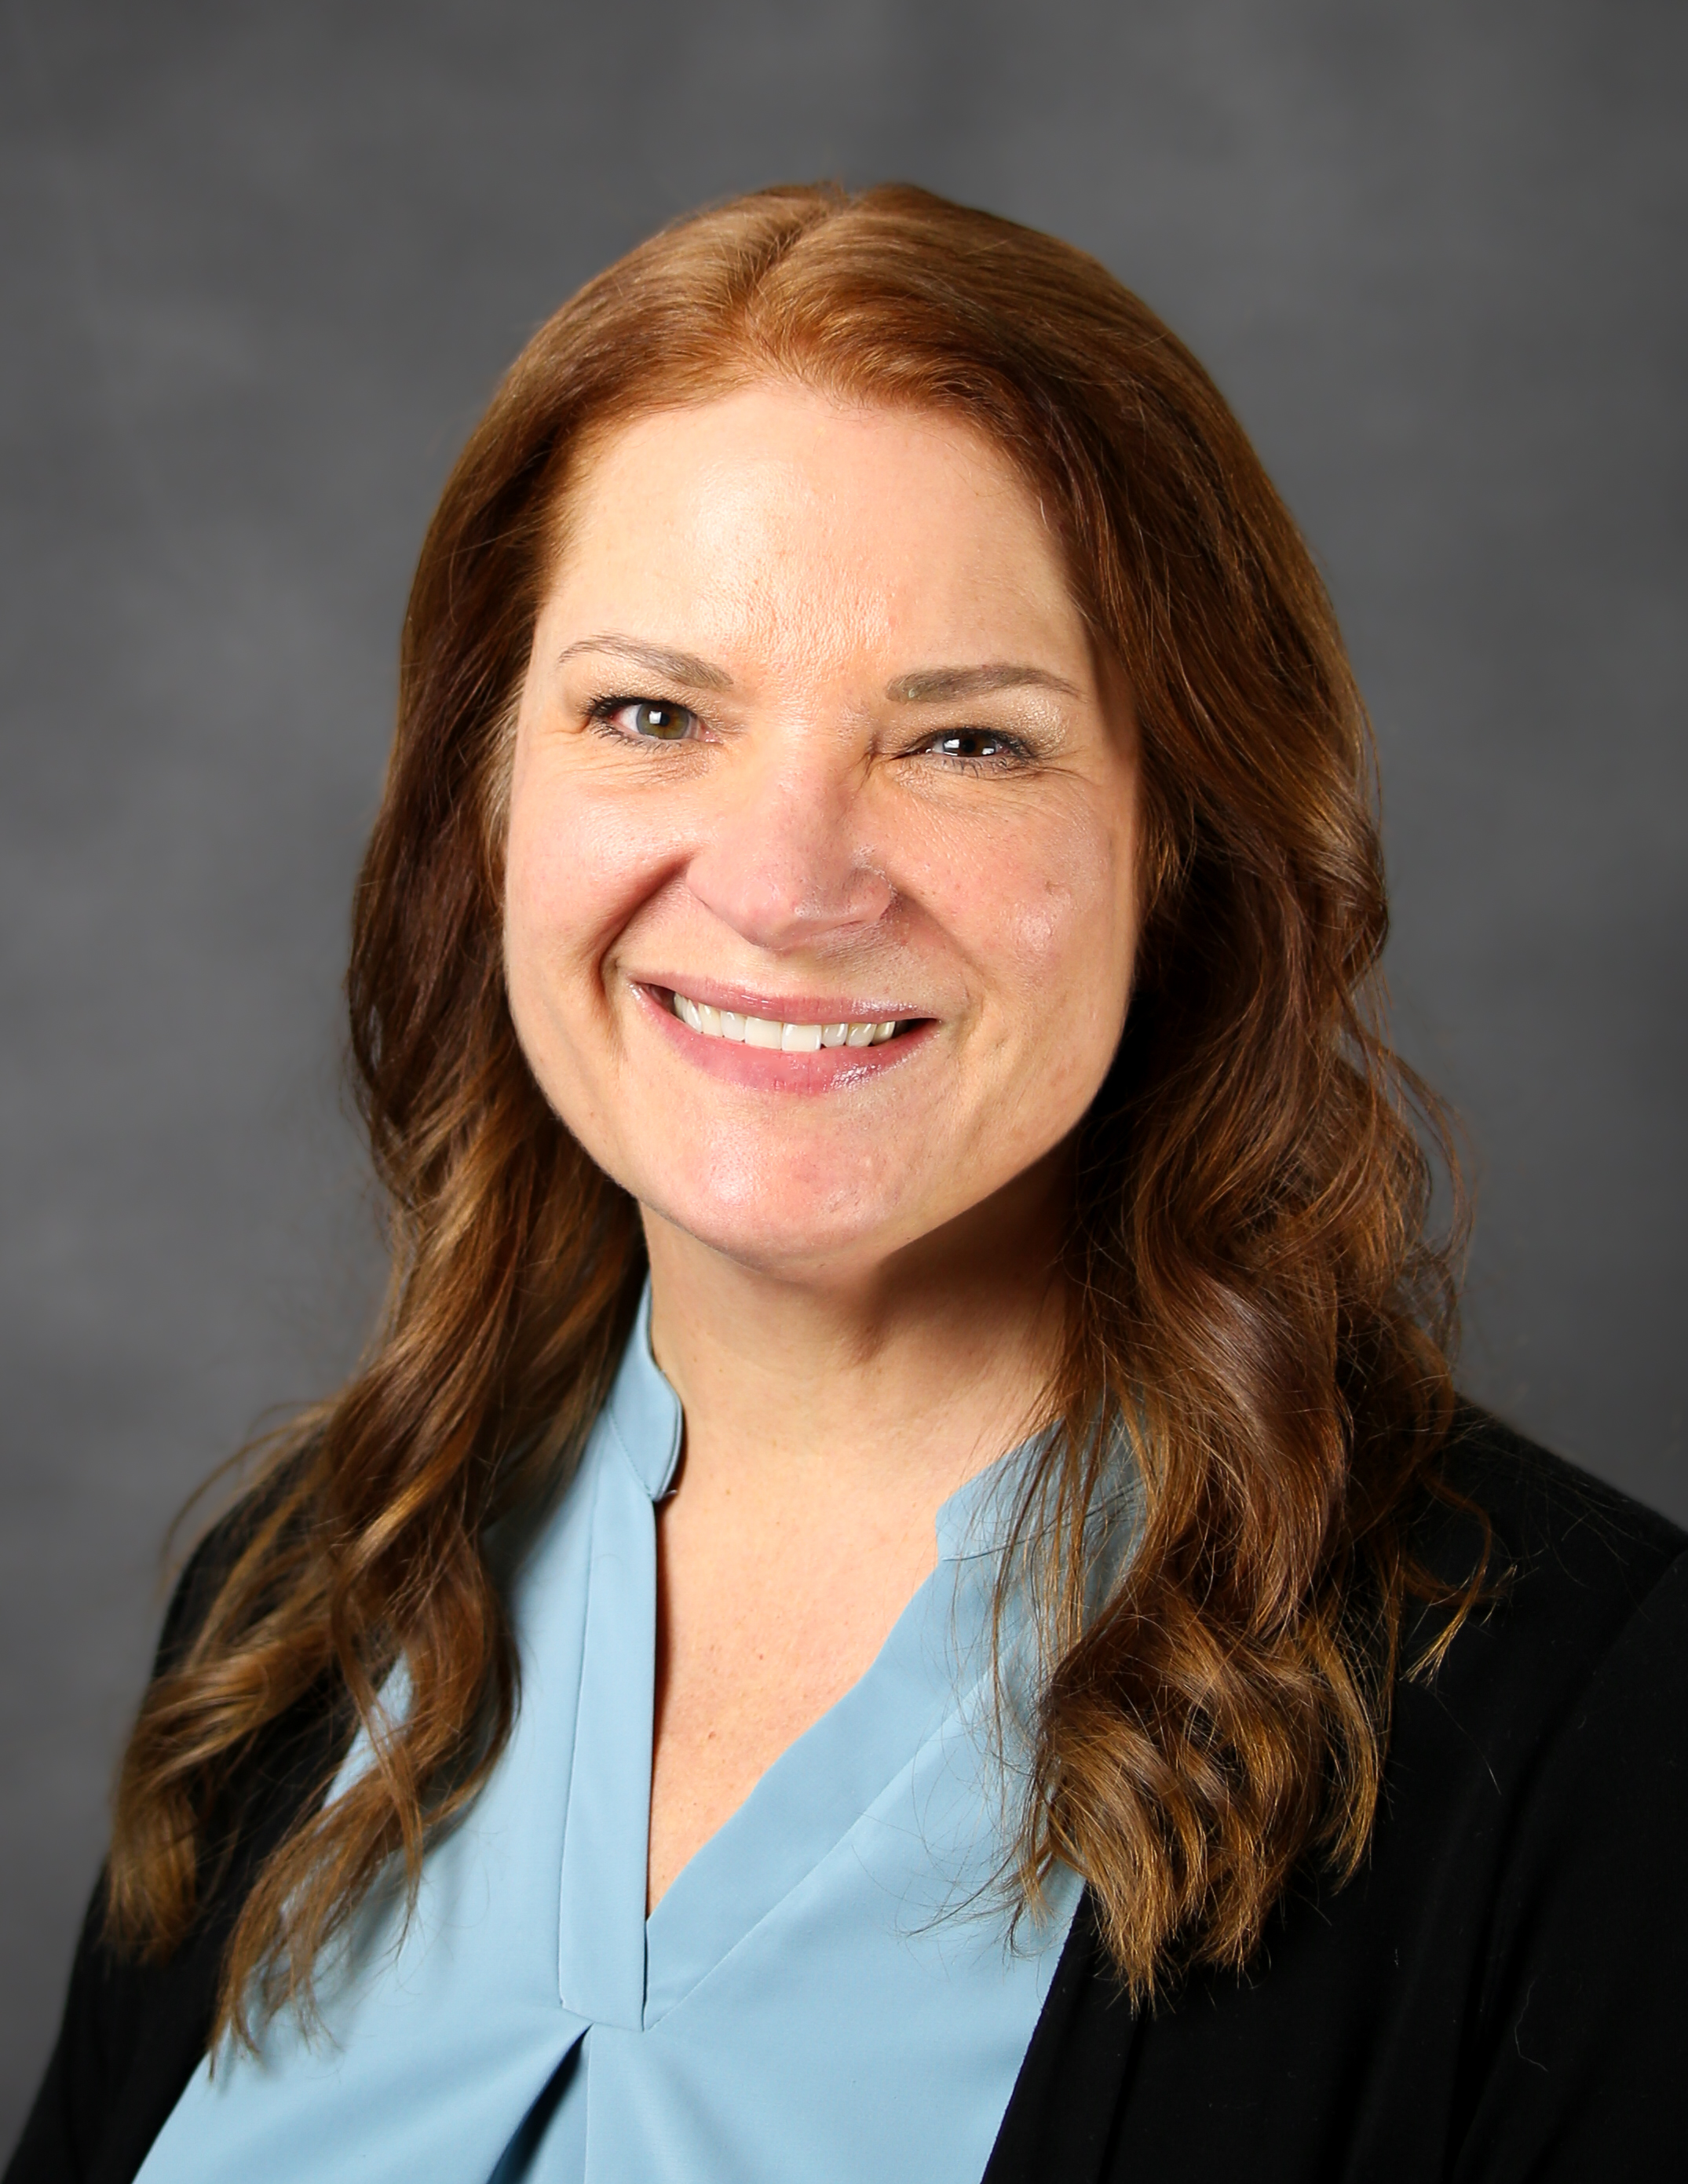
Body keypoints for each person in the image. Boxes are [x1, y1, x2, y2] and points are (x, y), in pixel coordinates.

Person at [9, 183, 1685, 2184]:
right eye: (651, 713)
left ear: (1188, 847)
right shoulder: (309, 1590)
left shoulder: (1590, 1735)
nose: (789, 882)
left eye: (966, 742)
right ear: (490, 796)